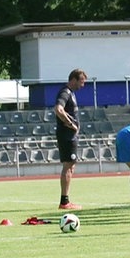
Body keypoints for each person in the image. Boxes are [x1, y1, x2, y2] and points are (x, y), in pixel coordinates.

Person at [55, 69, 87, 210]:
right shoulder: (65, 92)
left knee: (71, 165)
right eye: (81, 82)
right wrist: (70, 124)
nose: (83, 85)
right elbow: (58, 109)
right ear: (73, 79)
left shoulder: (70, 93)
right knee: (68, 165)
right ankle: (64, 202)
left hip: (69, 135)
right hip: (67, 135)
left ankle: (66, 200)